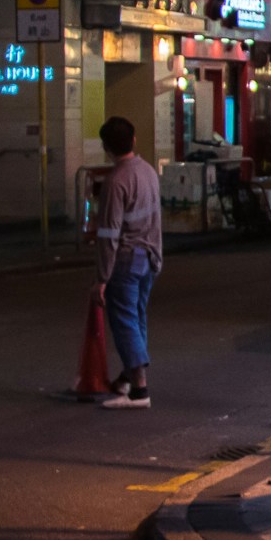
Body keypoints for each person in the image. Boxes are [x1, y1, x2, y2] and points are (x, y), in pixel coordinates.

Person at [88, 115, 164, 411]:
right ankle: (126, 379)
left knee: (125, 322)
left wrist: (101, 278)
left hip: (126, 261)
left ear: (106, 147)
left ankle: (139, 390)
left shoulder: (115, 181)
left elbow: (108, 235)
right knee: (137, 317)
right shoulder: (148, 172)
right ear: (133, 140)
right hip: (150, 258)